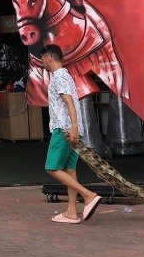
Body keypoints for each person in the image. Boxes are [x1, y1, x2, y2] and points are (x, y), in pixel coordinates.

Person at [42, 45, 102, 224]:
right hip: (72, 128)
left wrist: (73, 127)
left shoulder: (59, 77)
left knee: (51, 168)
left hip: (64, 129)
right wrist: (76, 127)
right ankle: (71, 211)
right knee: (70, 169)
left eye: (43, 59)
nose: (43, 63)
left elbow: (68, 102)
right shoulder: (66, 75)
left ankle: (87, 195)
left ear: (49, 58)